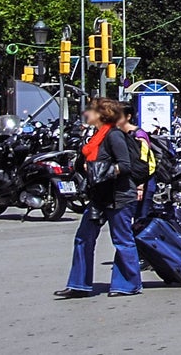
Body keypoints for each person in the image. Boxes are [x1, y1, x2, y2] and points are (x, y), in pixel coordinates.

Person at [55, 98, 143, 298]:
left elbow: (125, 165)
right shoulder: (95, 137)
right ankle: (79, 284)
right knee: (83, 238)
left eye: (92, 110)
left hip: (119, 196)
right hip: (100, 195)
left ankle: (127, 285)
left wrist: (99, 170)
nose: (88, 113)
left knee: (122, 240)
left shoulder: (114, 136)